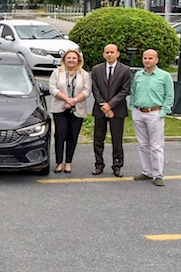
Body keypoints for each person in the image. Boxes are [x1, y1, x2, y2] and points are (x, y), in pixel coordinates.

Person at [129, 49, 174, 187]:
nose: (147, 60)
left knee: (156, 145)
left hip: (155, 113)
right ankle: (147, 171)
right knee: (143, 144)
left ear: (156, 60)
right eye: (145, 58)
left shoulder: (164, 76)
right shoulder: (138, 75)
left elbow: (169, 95)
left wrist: (163, 112)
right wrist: (132, 108)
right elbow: (133, 91)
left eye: (150, 58)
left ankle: (158, 175)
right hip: (138, 112)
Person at [90, 44, 132, 177]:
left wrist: (110, 105)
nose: (109, 54)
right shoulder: (96, 69)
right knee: (98, 138)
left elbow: (125, 90)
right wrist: (103, 104)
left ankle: (117, 165)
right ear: (103, 54)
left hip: (117, 110)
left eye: (112, 52)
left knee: (117, 139)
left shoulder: (125, 70)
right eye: (107, 52)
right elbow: (95, 89)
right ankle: (99, 164)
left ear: (117, 54)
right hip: (100, 109)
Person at [48, 49, 90, 174]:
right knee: (60, 135)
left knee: (73, 136)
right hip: (59, 108)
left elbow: (87, 91)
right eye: (69, 58)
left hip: (77, 109)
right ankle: (59, 162)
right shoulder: (56, 72)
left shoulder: (84, 74)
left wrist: (74, 100)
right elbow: (52, 89)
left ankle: (68, 163)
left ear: (78, 60)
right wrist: (67, 99)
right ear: (64, 60)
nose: (71, 60)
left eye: (74, 58)